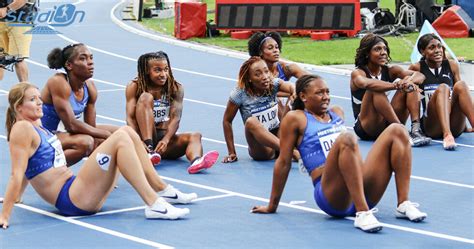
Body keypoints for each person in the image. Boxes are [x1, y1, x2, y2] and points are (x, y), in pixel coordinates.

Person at [0, 82, 198, 228]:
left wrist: (18, 196)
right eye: (32, 100)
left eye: (39, 98)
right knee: (120, 137)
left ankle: (162, 189)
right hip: (71, 198)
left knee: (126, 132)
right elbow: (17, 173)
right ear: (19, 107)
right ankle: (153, 203)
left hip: (77, 189)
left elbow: (28, 166)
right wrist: (5, 216)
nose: (39, 103)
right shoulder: (22, 128)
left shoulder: (37, 127)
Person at [252, 75, 427, 233]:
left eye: (327, 92)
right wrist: (272, 205)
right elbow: (283, 162)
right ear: (303, 97)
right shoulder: (296, 118)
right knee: (347, 138)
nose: (326, 96)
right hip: (332, 196)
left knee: (397, 130)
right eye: (320, 93)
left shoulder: (336, 113)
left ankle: (403, 203)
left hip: (362, 187)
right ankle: (363, 213)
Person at [125, 51, 219, 174]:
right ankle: (149, 150)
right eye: (157, 70)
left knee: (195, 135)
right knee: (146, 97)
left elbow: (176, 118)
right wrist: (139, 141)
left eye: (166, 69)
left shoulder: (175, 87)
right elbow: (130, 119)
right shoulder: (135, 86)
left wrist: (166, 140)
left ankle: (197, 162)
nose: (163, 74)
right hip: (142, 141)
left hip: (164, 142)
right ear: (147, 70)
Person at [41, 43, 118, 166]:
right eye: (83, 58)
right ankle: (47, 169)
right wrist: (105, 135)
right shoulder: (58, 82)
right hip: (45, 136)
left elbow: (91, 126)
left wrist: (102, 139)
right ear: (69, 65)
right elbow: (71, 125)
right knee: (86, 142)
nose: (90, 62)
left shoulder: (90, 87)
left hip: (65, 134)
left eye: (91, 58)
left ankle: (99, 174)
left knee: (122, 132)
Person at [350, 33, 431, 146]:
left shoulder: (390, 70)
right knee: (375, 89)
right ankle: (402, 133)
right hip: (366, 127)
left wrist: (408, 82)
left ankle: (416, 130)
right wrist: (396, 85)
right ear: (367, 53)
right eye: (377, 49)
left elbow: (420, 75)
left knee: (409, 81)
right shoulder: (358, 73)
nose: (383, 52)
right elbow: (365, 83)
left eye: (385, 49)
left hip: (386, 123)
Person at [222, 56, 296, 163]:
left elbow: (290, 86)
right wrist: (231, 152)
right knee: (251, 122)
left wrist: (294, 92)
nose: (265, 77)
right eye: (258, 74)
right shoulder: (239, 94)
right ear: (249, 79)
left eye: (266, 71)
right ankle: (291, 151)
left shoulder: (272, 84)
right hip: (263, 150)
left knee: (293, 98)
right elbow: (227, 121)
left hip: (280, 136)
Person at [409, 33, 474, 150]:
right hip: (431, 125)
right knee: (443, 88)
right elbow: (411, 95)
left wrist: (464, 127)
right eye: (432, 47)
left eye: (439, 46)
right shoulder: (416, 68)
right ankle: (447, 134)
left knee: (461, 85)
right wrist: (416, 126)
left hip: (454, 123)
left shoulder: (452, 65)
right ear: (422, 52)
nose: (437, 50)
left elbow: (460, 96)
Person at [248, 31, 308, 117]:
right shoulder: (255, 71)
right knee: (277, 99)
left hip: (284, 107)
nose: (276, 50)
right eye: (270, 48)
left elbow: (311, 80)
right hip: (261, 107)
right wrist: (291, 93)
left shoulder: (287, 68)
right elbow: (264, 92)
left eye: (277, 47)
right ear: (260, 52)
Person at [0, 0, 33, 82]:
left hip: (20, 20)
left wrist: (7, 9)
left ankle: (26, 91)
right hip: (2, 20)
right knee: (0, 58)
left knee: (18, 59)